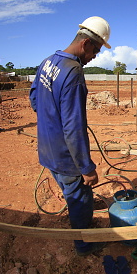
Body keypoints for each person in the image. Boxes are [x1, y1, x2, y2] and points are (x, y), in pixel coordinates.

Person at [29, 16, 111, 256]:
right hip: (67, 158)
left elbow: (35, 99)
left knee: (71, 193)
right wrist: (86, 168)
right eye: (95, 51)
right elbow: (73, 128)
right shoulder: (73, 71)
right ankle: (84, 244)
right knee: (80, 200)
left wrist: (51, 119)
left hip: (47, 150)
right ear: (85, 44)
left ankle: (80, 224)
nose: (94, 56)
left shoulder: (48, 62)